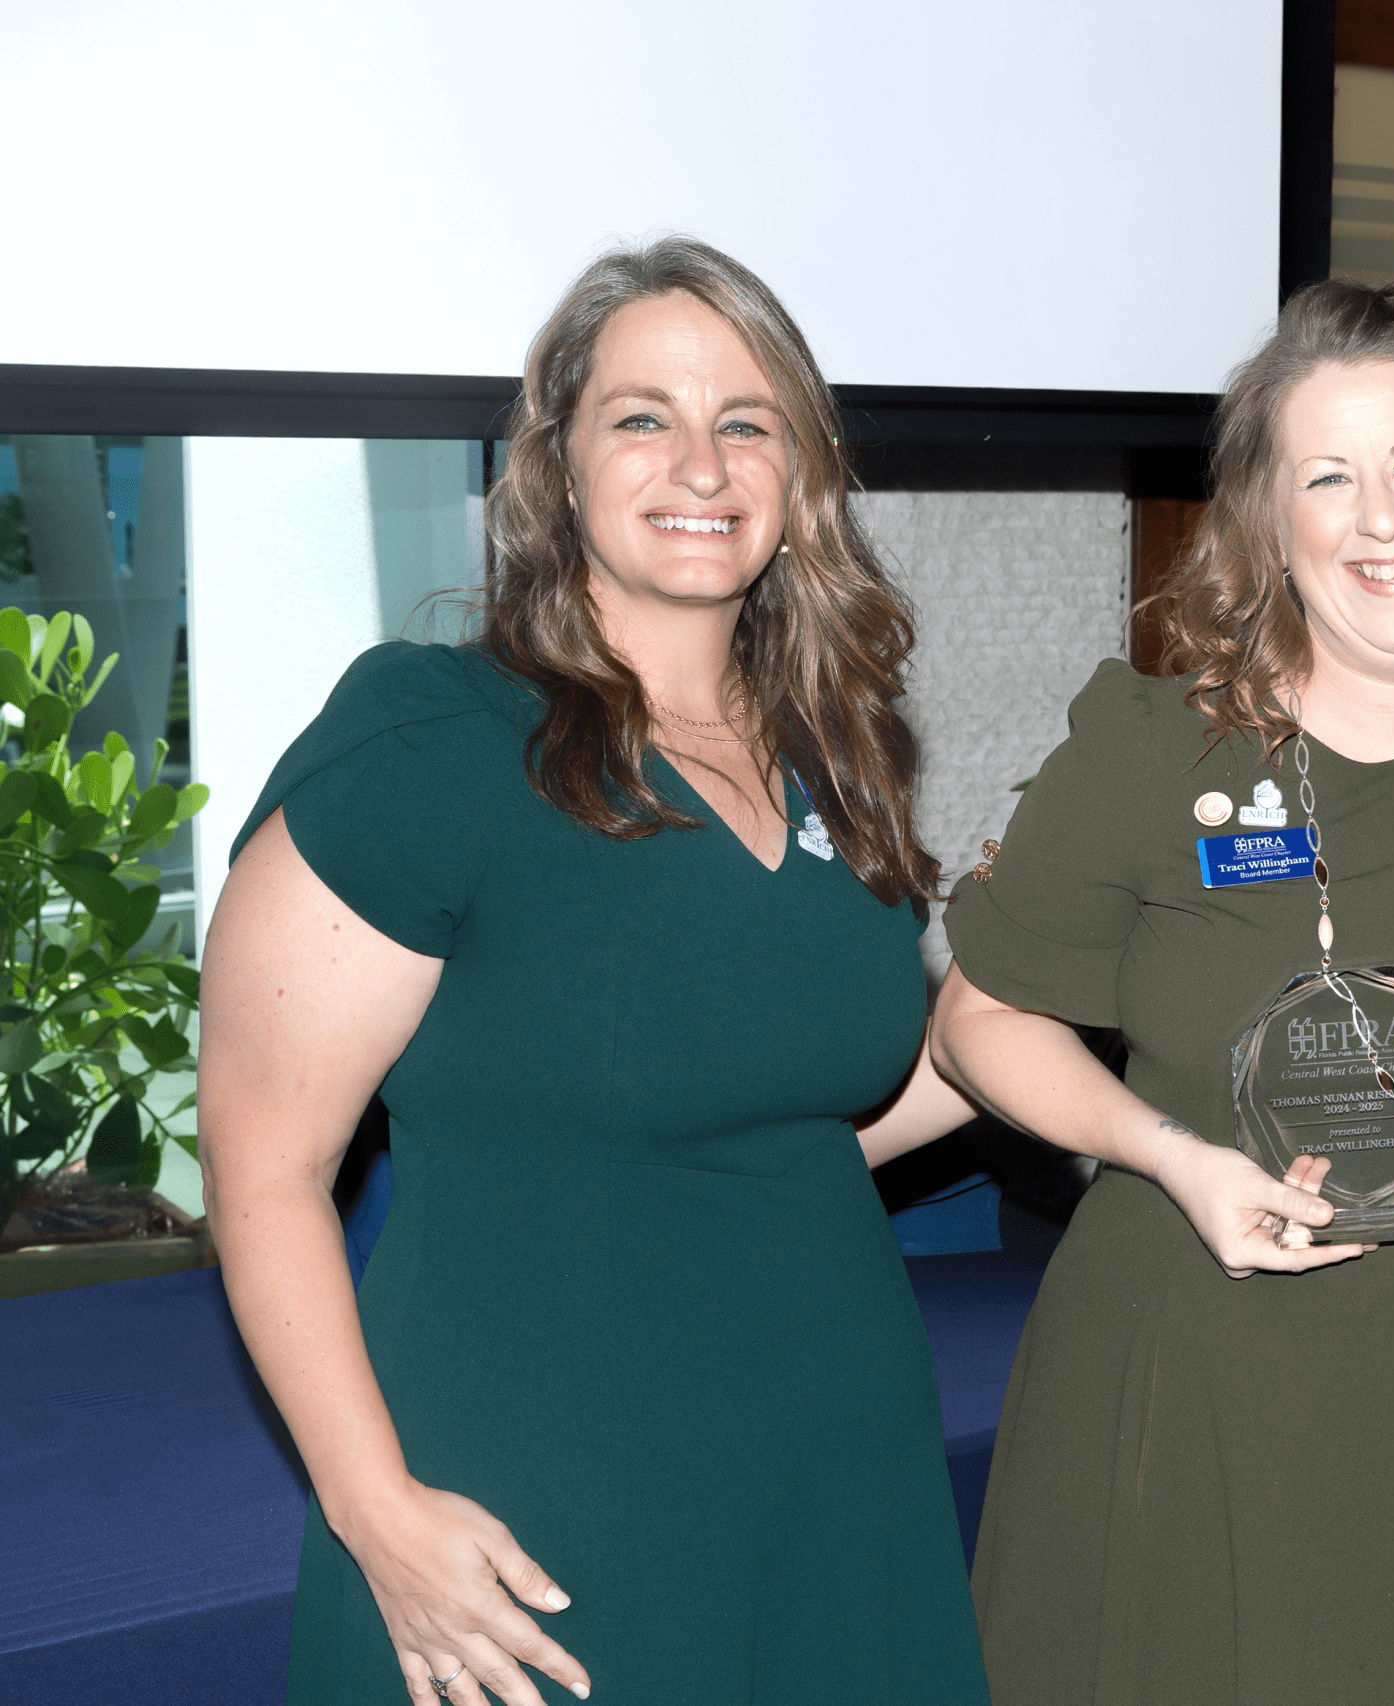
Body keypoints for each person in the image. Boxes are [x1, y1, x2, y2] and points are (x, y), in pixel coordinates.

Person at [199, 238, 992, 1706]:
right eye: (643, 417)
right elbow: (263, 1168)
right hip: (540, 1503)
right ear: (558, 466)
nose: (701, 464)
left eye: (746, 422)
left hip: (834, 1484)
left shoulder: (838, 756)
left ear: (800, 476)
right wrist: (376, 1509)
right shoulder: (431, 740)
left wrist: (1078, 972)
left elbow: (802, 1124)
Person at [932, 278, 1394, 1705]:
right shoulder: (1151, 754)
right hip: (1191, 1389)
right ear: (1268, 527)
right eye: (1328, 478)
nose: (1381, 517)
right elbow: (981, 1019)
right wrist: (1172, 1155)